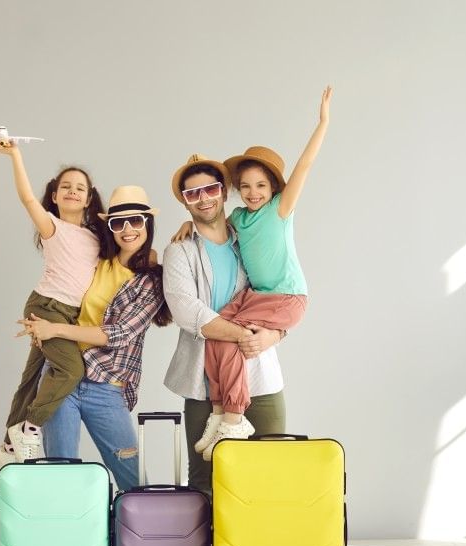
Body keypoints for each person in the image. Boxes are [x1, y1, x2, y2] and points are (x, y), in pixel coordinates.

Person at [191, 85, 333, 458]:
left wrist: (322, 123)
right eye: (247, 186)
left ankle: (236, 420)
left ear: (273, 189)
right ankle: (219, 411)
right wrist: (185, 226)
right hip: (256, 296)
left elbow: (304, 166)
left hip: (286, 297)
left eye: (261, 186)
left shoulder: (280, 211)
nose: (253, 193)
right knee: (215, 330)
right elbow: (208, 213)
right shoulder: (238, 216)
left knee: (235, 337)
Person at [18, 186, 171, 491]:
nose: (128, 230)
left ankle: (133, 536)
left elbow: (119, 334)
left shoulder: (151, 281)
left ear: (148, 224)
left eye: (136, 221)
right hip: (63, 380)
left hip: (106, 388)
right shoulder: (96, 260)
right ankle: (72, 537)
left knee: (135, 481)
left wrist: (56, 330)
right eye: (118, 223)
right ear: (110, 228)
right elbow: (62, 250)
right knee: (61, 473)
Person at [163, 155, 286, 496]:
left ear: (224, 191)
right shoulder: (180, 250)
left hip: (258, 372)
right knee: (205, 477)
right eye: (192, 193)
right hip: (205, 380)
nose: (203, 198)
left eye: (211, 189)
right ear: (185, 201)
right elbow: (186, 311)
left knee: (271, 467)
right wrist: (241, 334)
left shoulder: (247, 235)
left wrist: (275, 334)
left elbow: (276, 289)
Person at [0, 141, 105, 467]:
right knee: (70, 369)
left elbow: (133, 239)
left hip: (68, 315)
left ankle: (8, 447)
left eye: (80, 188)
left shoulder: (97, 237)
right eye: (65, 187)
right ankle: (29, 429)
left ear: (89, 197)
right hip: (47, 308)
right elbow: (27, 198)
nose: (72, 191)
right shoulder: (53, 227)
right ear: (54, 196)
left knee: (31, 379)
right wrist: (15, 155)